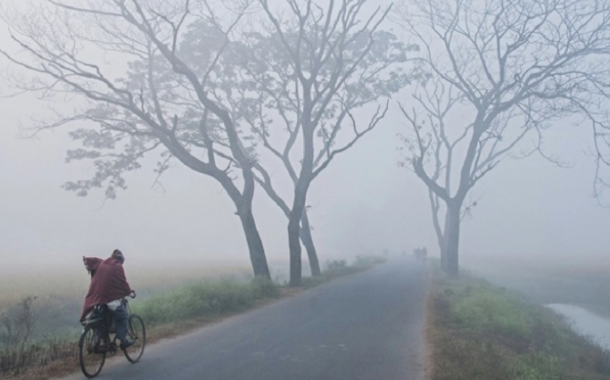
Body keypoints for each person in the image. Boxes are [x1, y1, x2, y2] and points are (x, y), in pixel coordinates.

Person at [80, 249, 134, 349]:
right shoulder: (117, 266)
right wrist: (129, 292)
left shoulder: (102, 264)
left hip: (95, 299)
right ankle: (123, 340)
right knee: (123, 315)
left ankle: (98, 339)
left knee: (98, 318)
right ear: (120, 260)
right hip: (108, 298)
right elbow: (123, 283)